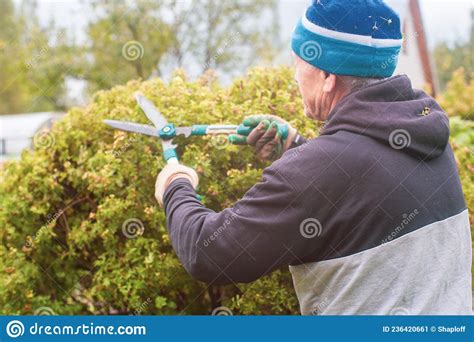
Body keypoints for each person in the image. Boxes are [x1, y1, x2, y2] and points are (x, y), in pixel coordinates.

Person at [154, 0, 472, 315]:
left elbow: (209, 253)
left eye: (298, 62)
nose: (295, 76)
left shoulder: (316, 172)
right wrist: (296, 147)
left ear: (326, 76)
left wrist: (175, 186)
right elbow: (361, 195)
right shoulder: (428, 135)